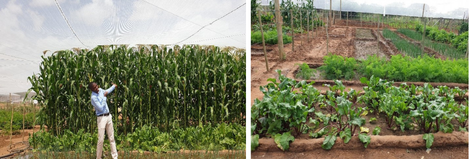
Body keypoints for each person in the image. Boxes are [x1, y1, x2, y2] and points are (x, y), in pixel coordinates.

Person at [88, 82, 118, 159]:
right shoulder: (93, 98)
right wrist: (104, 98)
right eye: (94, 88)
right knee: (101, 139)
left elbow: (107, 91)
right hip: (101, 118)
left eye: (96, 86)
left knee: (111, 138)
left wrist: (113, 86)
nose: (96, 88)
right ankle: (98, 157)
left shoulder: (101, 90)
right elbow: (100, 108)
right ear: (91, 90)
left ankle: (115, 157)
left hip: (108, 116)